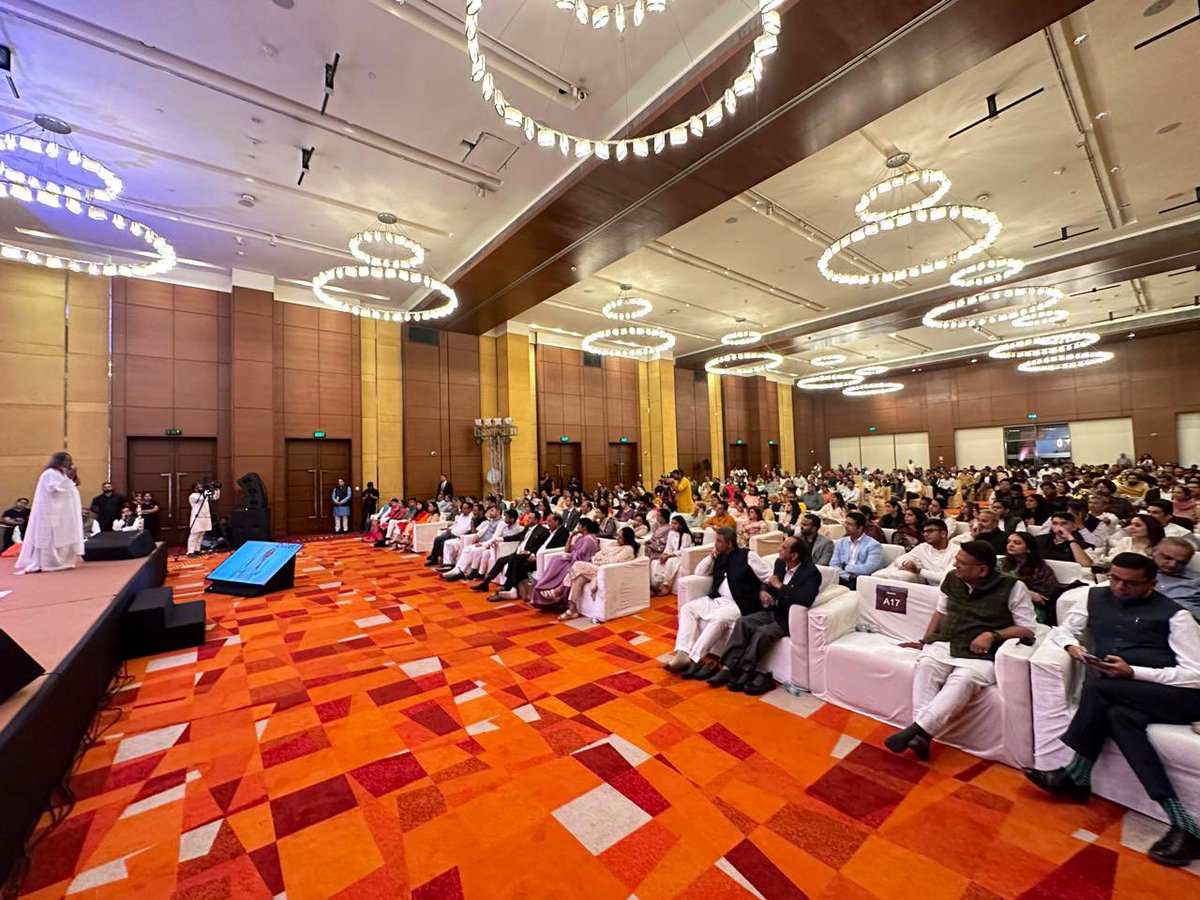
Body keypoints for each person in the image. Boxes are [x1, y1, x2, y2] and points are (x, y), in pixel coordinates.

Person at [1023, 554, 1200, 867]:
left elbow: (1195, 674)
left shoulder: (1176, 615)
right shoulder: (1094, 597)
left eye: (1130, 583)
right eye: (1115, 578)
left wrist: (1134, 672)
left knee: (1099, 687)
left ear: (1151, 584)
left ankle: (1074, 774)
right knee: (1119, 717)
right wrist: (1071, 646)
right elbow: (1063, 630)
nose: (1119, 587)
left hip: (1178, 696)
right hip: (1126, 694)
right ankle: (1184, 824)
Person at [884, 541, 1036, 760]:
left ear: (982, 570)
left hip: (982, 652)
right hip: (947, 641)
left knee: (962, 680)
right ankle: (921, 735)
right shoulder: (952, 578)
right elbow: (940, 613)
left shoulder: (1012, 586)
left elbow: (1027, 628)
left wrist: (993, 635)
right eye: (956, 560)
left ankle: (915, 730)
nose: (955, 565)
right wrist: (924, 641)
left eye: (962, 563)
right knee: (926, 665)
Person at [706, 536, 821, 695]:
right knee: (743, 622)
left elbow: (806, 598)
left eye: (784, 548)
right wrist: (764, 592)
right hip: (772, 610)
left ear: (794, 555)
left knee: (762, 632)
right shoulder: (780, 563)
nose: (779, 549)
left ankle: (746, 669)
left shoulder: (811, 573)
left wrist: (780, 586)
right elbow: (769, 584)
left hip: (787, 618)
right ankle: (728, 667)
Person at [665, 527, 770, 680]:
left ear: (730, 544)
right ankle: (682, 653)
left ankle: (694, 659)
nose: (715, 544)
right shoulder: (718, 557)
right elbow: (699, 572)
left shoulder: (747, 555)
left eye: (719, 541)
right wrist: (711, 557)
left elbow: (767, 576)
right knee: (687, 608)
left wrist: (763, 589)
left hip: (738, 603)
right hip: (717, 599)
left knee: (719, 618)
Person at [16, 452, 84, 574]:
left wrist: (70, 477)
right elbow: (54, 490)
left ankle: (65, 561)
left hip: (65, 514)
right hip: (52, 513)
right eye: (67, 460)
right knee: (51, 538)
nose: (70, 462)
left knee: (65, 535)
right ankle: (50, 563)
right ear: (59, 461)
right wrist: (68, 478)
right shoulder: (49, 473)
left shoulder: (62, 474)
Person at [477, 513, 568, 601]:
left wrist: (532, 554)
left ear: (556, 522)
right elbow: (519, 536)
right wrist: (501, 539)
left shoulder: (559, 532)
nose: (547, 523)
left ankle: (509, 587)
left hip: (541, 558)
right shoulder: (544, 530)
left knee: (515, 560)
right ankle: (509, 588)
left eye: (550, 521)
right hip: (529, 555)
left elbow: (553, 548)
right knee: (509, 560)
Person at [557, 526, 638, 621]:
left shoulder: (628, 550)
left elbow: (614, 561)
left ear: (627, 540)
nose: (617, 539)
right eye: (618, 536)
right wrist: (598, 558)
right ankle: (572, 609)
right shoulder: (614, 544)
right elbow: (598, 554)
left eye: (620, 537)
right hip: (595, 566)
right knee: (578, 579)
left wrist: (599, 560)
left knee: (577, 564)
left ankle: (560, 589)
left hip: (605, 570)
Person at [529, 518, 600, 611]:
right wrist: (570, 537)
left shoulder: (589, 540)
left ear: (584, 527)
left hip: (581, 563)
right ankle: (542, 589)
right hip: (573, 560)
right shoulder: (581, 538)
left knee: (559, 563)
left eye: (579, 525)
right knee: (555, 560)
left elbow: (583, 557)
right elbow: (567, 550)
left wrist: (570, 556)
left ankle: (556, 593)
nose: (577, 527)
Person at [999, 531, 1066, 625]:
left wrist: (1029, 596)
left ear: (1028, 549)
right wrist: (1025, 592)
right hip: (1001, 603)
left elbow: (1043, 598)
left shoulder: (1041, 568)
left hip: (1031, 607)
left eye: (1017, 543)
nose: (1010, 545)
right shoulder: (1000, 564)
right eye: (1009, 542)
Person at [875, 519, 957, 585]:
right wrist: (906, 563)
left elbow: (946, 578)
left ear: (943, 533)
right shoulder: (923, 547)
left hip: (949, 591)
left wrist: (919, 571)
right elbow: (899, 559)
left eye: (930, 531)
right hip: (927, 588)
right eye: (924, 532)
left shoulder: (957, 551)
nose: (926, 534)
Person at [829, 511, 883, 587]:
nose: (846, 526)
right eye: (846, 523)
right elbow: (833, 564)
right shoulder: (840, 542)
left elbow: (868, 568)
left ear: (860, 528)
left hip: (861, 581)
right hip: (842, 577)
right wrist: (848, 576)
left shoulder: (874, 545)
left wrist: (845, 567)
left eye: (850, 524)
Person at [1151, 537, 1200, 618]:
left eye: (1181, 562)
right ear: (1154, 551)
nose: (1172, 565)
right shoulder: (1136, 573)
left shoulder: (1197, 580)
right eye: (1168, 558)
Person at [650, 514, 695, 595]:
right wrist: (664, 555)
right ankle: (656, 585)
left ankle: (666, 586)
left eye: (675, 523)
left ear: (681, 525)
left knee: (670, 561)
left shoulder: (685, 535)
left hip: (681, 557)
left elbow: (683, 551)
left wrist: (669, 556)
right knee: (656, 562)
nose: (673, 525)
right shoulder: (671, 533)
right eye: (672, 523)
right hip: (671, 554)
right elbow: (668, 547)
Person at [186, 481, 219, 556]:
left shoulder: (205, 494)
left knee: (201, 534)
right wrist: (207, 491)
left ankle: (197, 550)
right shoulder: (193, 496)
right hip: (197, 517)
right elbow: (200, 498)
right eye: (199, 487)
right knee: (194, 534)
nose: (201, 488)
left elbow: (215, 497)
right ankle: (190, 551)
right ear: (195, 488)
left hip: (205, 517)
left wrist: (216, 489)